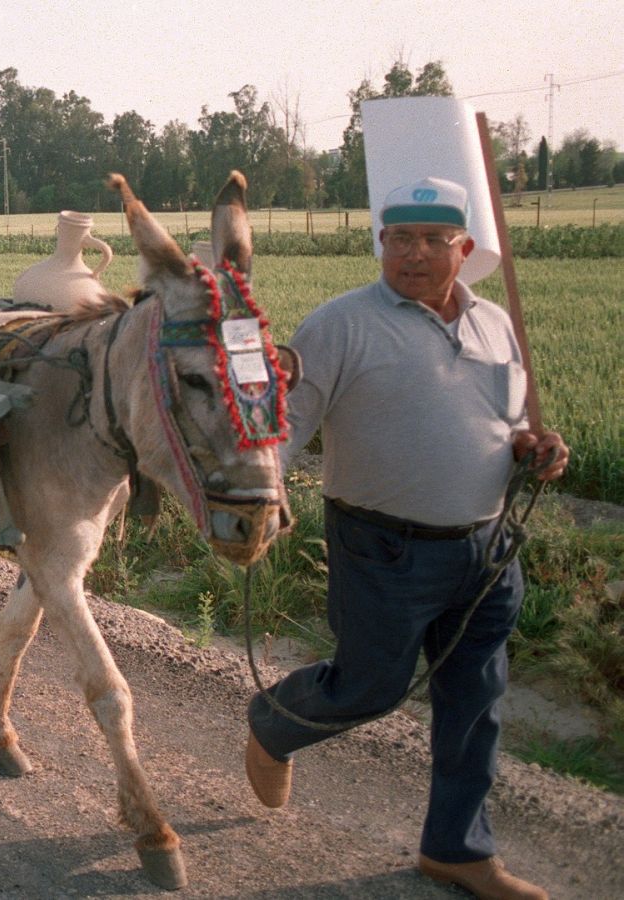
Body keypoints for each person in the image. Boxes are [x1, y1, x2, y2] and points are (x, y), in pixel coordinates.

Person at [245, 177, 569, 900]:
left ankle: (457, 849)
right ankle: (275, 722)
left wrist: (535, 449)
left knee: (475, 700)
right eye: (398, 239)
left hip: (486, 548)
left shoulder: (496, 324)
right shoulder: (340, 324)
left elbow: (506, 424)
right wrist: (258, 499)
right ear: (381, 243)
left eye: (431, 241)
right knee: (370, 685)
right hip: (381, 547)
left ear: (465, 249)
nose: (412, 255)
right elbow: (285, 426)